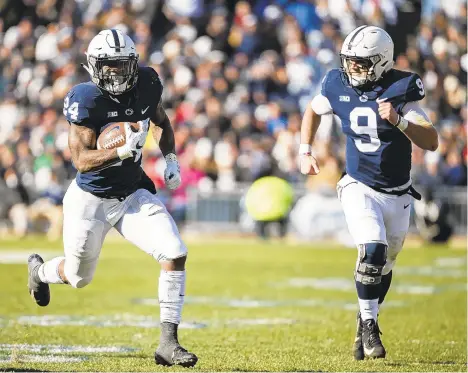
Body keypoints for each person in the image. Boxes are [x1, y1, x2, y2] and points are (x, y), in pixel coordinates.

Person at [26, 29, 197, 368]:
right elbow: (80, 159)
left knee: (175, 252)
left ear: (133, 64)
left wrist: (171, 160)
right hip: (90, 199)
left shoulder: (148, 83)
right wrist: (121, 150)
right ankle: (41, 271)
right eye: (109, 66)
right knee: (78, 278)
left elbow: (161, 121)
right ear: (94, 68)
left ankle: (168, 343)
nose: (117, 74)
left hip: (132, 192)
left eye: (122, 65)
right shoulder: (86, 99)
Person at [299, 25, 438, 360]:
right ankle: (371, 326)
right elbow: (313, 111)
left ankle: (365, 320)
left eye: (361, 62)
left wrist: (400, 122)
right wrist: (305, 149)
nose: (353, 68)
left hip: (398, 193)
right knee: (372, 248)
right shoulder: (337, 84)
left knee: (385, 265)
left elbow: (431, 141)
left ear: (382, 61)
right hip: (358, 185)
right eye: (350, 61)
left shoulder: (400, 89)